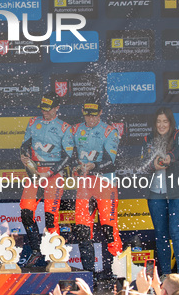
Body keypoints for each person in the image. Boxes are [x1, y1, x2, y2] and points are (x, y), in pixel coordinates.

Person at [19, 91, 74, 267]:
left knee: (51, 218)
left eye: (49, 109)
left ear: (57, 108)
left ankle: (55, 256)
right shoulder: (33, 122)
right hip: (35, 173)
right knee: (26, 212)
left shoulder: (64, 127)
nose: (45, 112)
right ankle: (36, 250)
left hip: (53, 174)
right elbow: (24, 145)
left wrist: (49, 173)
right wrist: (25, 156)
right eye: (43, 109)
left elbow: (68, 156)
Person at [71, 100, 121, 285]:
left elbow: (111, 161)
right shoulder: (75, 129)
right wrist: (76, 165)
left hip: (105, 183)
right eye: (87, 114)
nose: (90, 118)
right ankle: (88, 274)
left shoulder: (109, 131)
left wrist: (93, 166)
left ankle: (116, 271)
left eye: (94, 114)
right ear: (82, 113)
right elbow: (68, 153)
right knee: (83, 228)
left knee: (109, 227)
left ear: (100, 113)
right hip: (84, 185)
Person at [142, 107, 179, 276]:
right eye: (158, 121)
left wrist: (169, 157)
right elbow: (143, 164)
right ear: (154, 123)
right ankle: (166, 274)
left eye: (165, 121)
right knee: (160, 235)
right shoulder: (148, 138)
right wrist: (151, 165)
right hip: (156, 193)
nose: (161, 125)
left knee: (176, 232)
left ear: (170, 122)